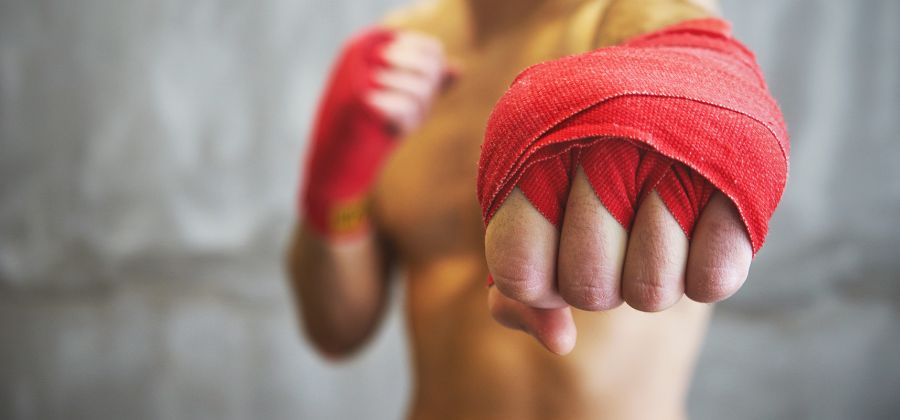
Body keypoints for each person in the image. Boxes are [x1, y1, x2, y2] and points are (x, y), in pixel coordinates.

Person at [287, 0, 786, 418]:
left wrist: (698, 73)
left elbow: (676, 34)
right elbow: (335, 330)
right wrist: (335, 191)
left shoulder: (632, 19)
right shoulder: (398, 53)